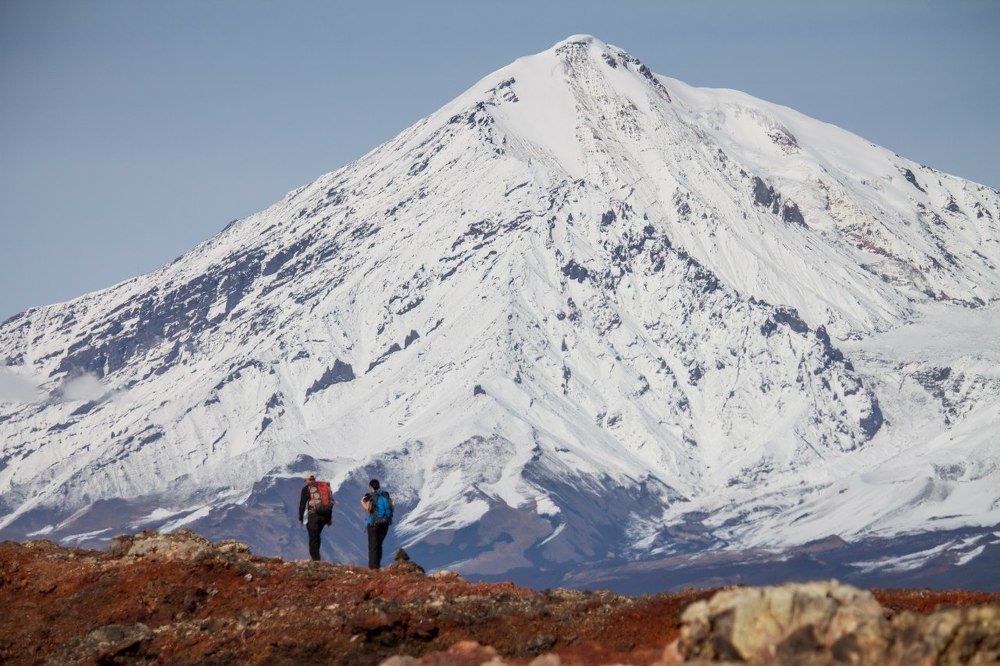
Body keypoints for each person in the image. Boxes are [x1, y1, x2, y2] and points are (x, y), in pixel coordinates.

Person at [297, 473, 335, 561]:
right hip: (324, 516)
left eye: (305, 480)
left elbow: (302, 504)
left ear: (307, 480)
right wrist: (329, 519)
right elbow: (329, 503)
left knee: (312, 537)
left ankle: (315, 558)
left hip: (313, 515)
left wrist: (300, 518)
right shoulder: (323, 487)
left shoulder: (306, 489)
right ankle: (316, 557)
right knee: (317, 535)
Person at [360, 478, 394, 569]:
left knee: (373, 546)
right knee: (379, 545)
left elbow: (368, 508)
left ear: (370, 487)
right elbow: (392, 504)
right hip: (385, 524)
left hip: (373, 524)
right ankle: (377, 566)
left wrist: (362, 502)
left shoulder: (370, 496)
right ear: (379, 486)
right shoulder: (385, 494)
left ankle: (372, 568)